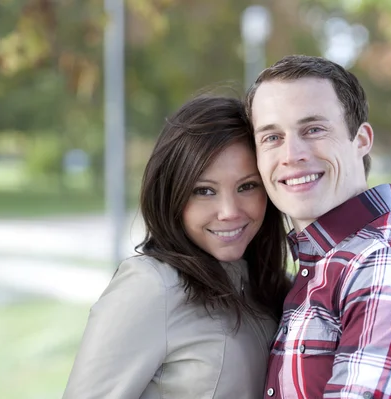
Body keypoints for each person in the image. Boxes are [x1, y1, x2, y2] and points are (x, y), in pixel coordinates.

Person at [244, 55, 391, 399]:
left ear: (361, 140)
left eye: (313, 129)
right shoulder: (324, 265)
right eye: (271, 137)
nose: (291, 154)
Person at [62, 95, 292, 399]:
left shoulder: (269, 286)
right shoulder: (151, 287)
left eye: (247, 186)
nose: (229, 211)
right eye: (204, 191)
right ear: (172, 195)